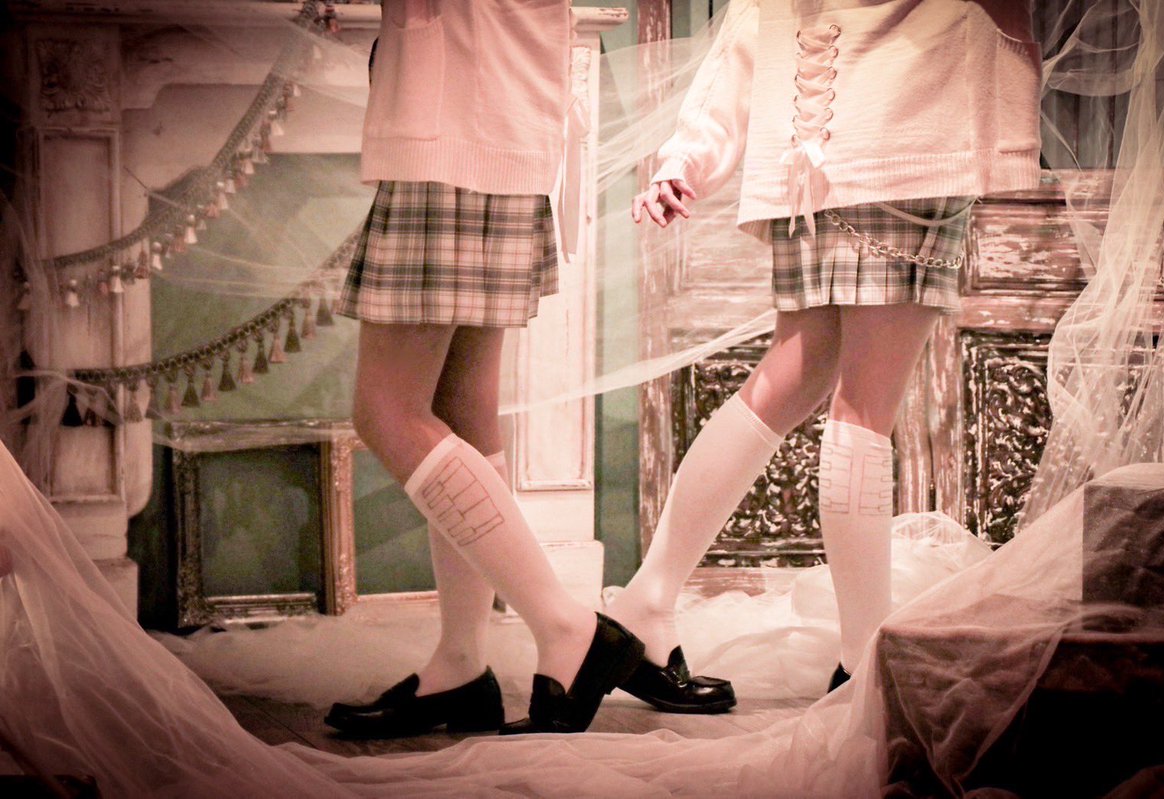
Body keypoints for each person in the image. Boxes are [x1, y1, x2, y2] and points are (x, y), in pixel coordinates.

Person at [611, 0, 1043, 700]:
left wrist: (688, 154)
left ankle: (646, 602)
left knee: (792, 376)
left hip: (806, 154)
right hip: (907, 139)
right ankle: (863, 662)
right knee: (863, 410)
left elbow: (749, 21)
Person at [323, 0, 644, 736]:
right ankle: (461, 663)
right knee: (461, 411)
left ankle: (566, 625)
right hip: (497, 127)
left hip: (451, 133)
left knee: (387, 411)